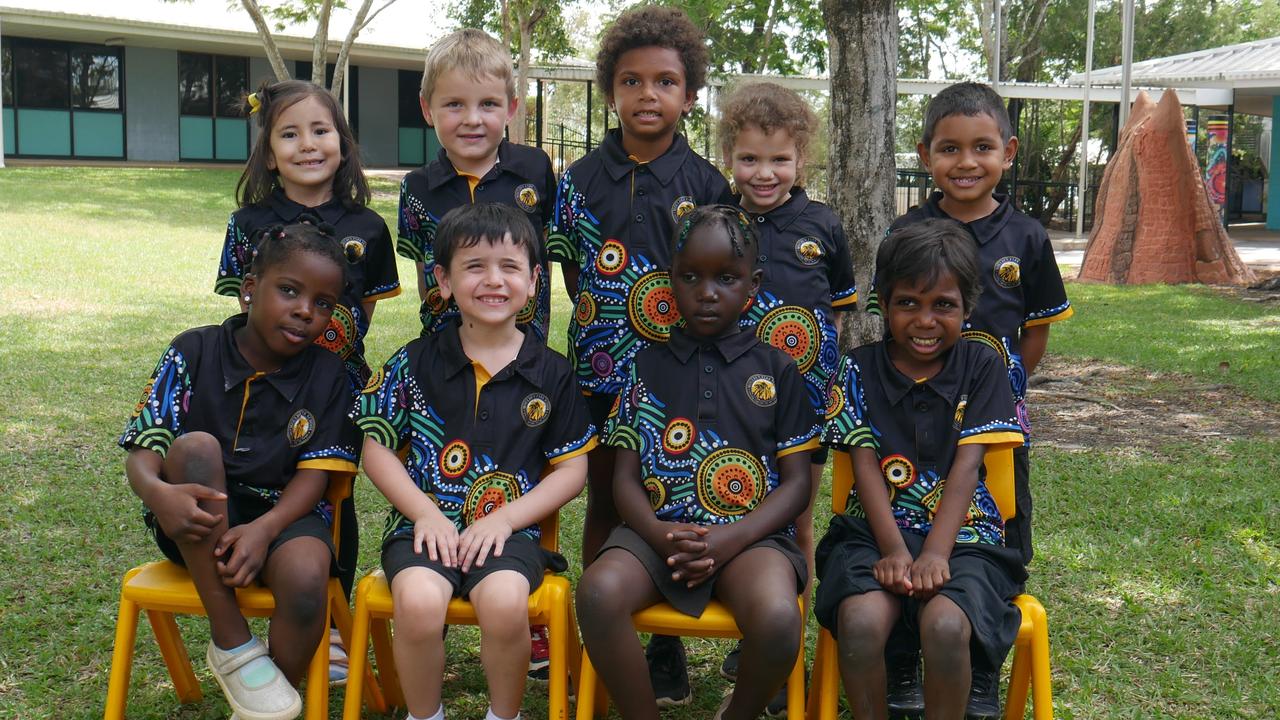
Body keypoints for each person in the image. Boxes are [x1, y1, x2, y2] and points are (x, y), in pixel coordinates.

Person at [546, 6, 732, 702]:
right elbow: (570, 274)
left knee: (672, 500)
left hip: (680, 379)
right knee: (604, 496)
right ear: (610, 90)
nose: (647, 95)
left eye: (664, 82)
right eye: (631, 81)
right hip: (597, 372)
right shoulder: (579, 179)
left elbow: (719, 279)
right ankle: (604, 633)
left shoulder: (709, 186)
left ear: (689, 95)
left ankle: (666, 646)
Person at [576, 206, 819, 720]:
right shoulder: (644, 364)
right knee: (598, 592)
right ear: (671, 281)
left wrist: (731, 538)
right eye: (691, 277)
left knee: (778, 619)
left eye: (726, 278)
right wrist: (660, 533)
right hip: (651, 534)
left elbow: (797, 485)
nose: (707, 292)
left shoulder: (778, 368)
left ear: (752, 284)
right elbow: (623, 479)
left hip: (750, 540)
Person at [354, 203, 595, 720]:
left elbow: (573, 470)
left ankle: (502, 715)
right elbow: (375, 449)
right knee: (418, 604)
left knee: (506, 603)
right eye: (474, 266)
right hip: (423, 532)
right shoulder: (412, 362)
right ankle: (426, 715)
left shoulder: (553, 374)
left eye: (509, 267)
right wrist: (423, 513)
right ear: (442, 280)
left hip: (511, 538)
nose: (493, 280)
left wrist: (506, 519)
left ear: (534, 281)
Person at [121, 222, 362, 720]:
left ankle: (264, 701)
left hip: (284, 516)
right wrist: (156, 494)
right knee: (195, 448)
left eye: (323, 304)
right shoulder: (195, 350)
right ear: (249, 289)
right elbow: (145, 451)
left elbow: (314, 477)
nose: (305, 311)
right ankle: (232, 643)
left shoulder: (330, 374)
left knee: (306, 576)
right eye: (290, 291)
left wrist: (263, 530)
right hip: (194, 521)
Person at [888, 81, 1072, 717]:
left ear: (1009, 152)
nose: (965, 162)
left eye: (982, 147)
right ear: (925, 154)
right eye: (949, 149)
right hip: (911, 417)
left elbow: (1038, 329)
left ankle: (982, 660)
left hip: (996, 423)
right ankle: (905, 661)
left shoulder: (1027, 237)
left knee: (998, 533)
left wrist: (1004, 390)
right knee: (912, 523)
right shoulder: (908, 231)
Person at [213, 79, 401, 681]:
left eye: (320, 131)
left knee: (332, 500)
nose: (307, 145)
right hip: (264, 387)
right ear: (269, 152)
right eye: (289, 134)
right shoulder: (248, 223)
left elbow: (363, 312)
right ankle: (261, 609)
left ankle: (329, 616)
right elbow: (245, 308)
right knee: (265, 484)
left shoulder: (368, 226)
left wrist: (329, 358)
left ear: (342, 144)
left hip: (337, 391)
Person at [815, 219, 1028, 720]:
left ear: (968, 308)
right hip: (871, 533)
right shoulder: (856, 369)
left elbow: (967, 467)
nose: (925, 320)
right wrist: (892, 549)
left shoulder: (983, 366)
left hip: (966, 538)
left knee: (946, 626)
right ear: (883, 304)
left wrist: (934, 552)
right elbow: (863, 466)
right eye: (908, 302)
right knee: (862, 623)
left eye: (943, 305)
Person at [717, 81, 858, 706]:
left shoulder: (824, 226)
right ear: (729, 156)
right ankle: (753, 633)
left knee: (795, 526)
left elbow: (838, 317)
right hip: (730, 413)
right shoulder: (716, 222)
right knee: (736, 515)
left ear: (802, 158)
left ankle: (783, 658)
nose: (764, 172)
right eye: (750, 158)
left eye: (779, 159)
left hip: (802, 411)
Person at [397, 28, 556, 342]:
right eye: (455, 104)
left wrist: (541, 339)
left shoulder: (535, 169)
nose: (472, 119)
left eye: (488, 104)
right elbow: (423, 274)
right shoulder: (416, 188)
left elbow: (545, 258)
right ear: (427, 108)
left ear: (510, 108)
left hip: (523, 347)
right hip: (446, 352)